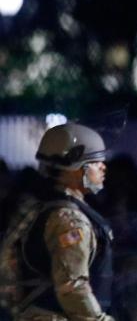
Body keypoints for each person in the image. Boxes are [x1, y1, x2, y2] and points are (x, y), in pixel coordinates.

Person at [0, 123, 114, 320]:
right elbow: (73, 288)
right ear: (74, 168)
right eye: (95, 162)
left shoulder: (41, 205)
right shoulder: (68, 219)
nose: (103, 167)